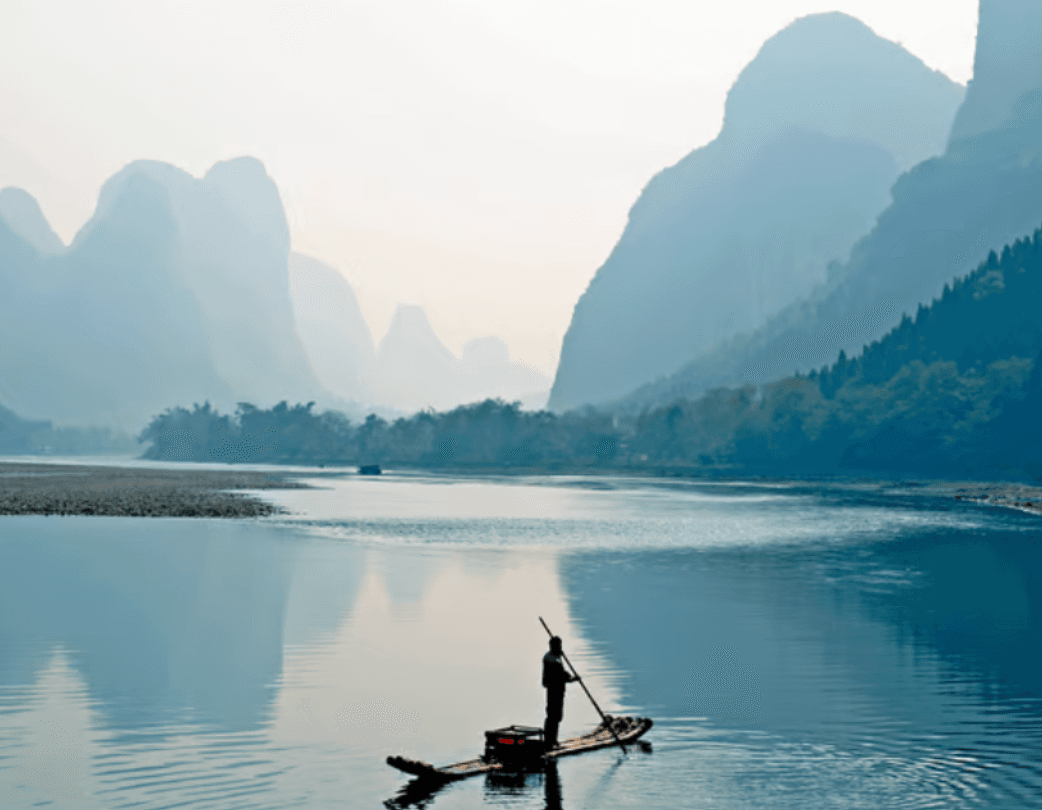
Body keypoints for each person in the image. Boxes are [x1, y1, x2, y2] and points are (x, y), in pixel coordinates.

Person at [542, 636, 576, 749]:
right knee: (553, 715)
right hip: (553, 690)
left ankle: (553, 740)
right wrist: (571, 679)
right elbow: (559, 675)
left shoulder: (555, 657)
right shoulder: (550, 659)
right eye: (558, 645)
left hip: (558, 690)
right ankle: (549, 741)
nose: (560, 648)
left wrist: (571, 677)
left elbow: (563, 672)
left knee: (557, 715)